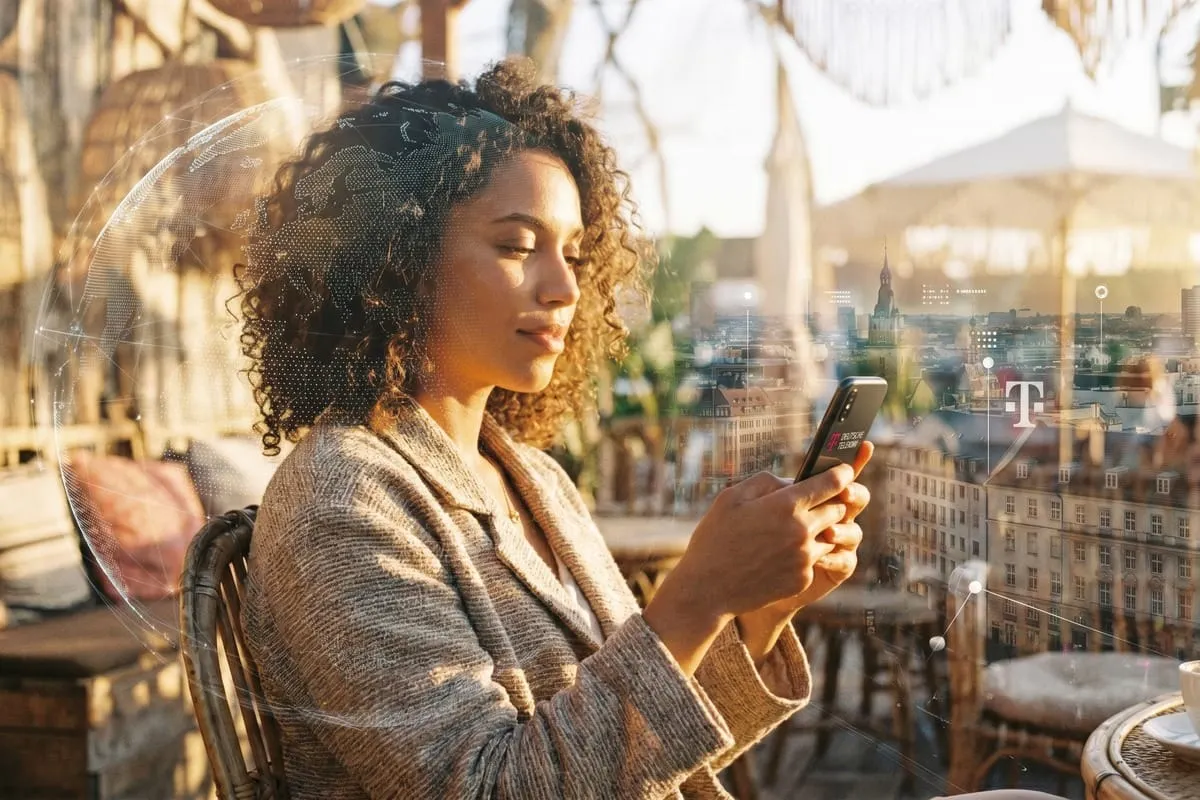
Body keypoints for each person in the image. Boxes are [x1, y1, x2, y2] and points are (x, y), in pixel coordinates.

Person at [236, 58, 1062, 800]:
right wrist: (697, 596)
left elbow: (639, 750)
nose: (564, 287)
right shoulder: (339, 499)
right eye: (518, 245)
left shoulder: (531, 475)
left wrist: (756, 613)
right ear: (395, 258)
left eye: (574, 253)